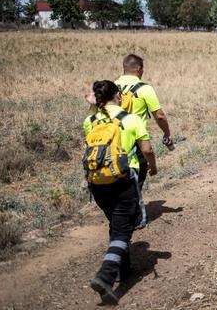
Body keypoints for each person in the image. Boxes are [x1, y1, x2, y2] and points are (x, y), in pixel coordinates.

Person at [85, 80, 157, 305]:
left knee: (117, 223)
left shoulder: (90, 120)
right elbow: (147, 149)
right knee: (122, 228)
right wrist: (153, 166)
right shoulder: (131, 119)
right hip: (125, 178)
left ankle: (124, 268)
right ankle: (106, 276)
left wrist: (93, 106)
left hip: (97, 181)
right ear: (118, 95)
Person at [114, 54, 173, 188]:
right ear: (139, 69)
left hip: (112, 139)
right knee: (134, 185)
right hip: (135, 143)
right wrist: (167, 134)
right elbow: (160, 116)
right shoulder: (144, 89)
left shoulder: (110, 87)